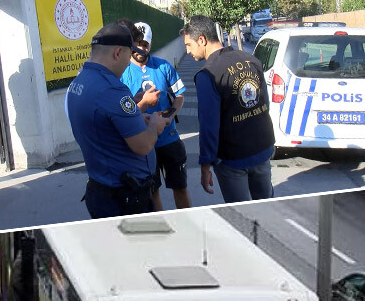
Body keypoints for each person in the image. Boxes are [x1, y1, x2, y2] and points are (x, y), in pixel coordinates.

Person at [65, 22, 171, 219]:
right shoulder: (112, 89)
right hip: (125, 198)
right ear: (117, 53)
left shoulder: (78, 82)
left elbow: (102, 121)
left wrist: (136, 116)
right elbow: (143, 146)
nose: (128, 63)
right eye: (128, 56)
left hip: (101, 188)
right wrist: (155, 125)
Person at [181, 15, 276, 203]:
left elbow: (208, 125)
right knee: (268, 204)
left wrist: (205, 164)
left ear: (202, 39)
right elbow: (265, 103)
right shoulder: (251, 60)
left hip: (233, 158)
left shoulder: (208, 74)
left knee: (240, 212)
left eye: (189, 45)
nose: (188, 51)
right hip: (262, 147)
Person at [120, 22, 191, 211]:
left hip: (169, 139)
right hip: (144, 143)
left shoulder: (163, 66)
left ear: (151, 45)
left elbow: (180, 95)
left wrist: (169, 115)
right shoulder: (123, 72)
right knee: (152, 192)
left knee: (181, 187)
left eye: (145, 44)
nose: (141, 49)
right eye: (137, 43)